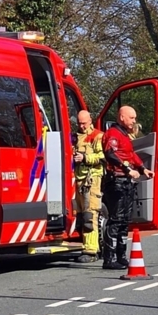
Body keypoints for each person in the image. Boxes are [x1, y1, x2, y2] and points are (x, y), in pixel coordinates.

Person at [102, 106, 153, 269]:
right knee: (116, 219)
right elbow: (110, 154)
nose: (134, 121)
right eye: (131, 118)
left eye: (134, 118)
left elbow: (131, 155)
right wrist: (127, 170)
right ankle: (109, 259)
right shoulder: (113, 134)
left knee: (124, 220)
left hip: (126, 181)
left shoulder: (124, 136)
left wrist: (142, 168)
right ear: (122, 117)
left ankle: (121, 256)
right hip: (116, 181)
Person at [72, 111, 104, 263]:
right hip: (78, 180)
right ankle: (87, 246)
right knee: (81, 215)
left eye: (84, 123)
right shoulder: (75, 137)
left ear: (90, 120)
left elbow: (102, 156)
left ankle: (91, 251)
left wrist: (85, 158)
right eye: (79, 123)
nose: (81, 126)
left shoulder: (98, 136)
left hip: (91, 179)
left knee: (89, 214)